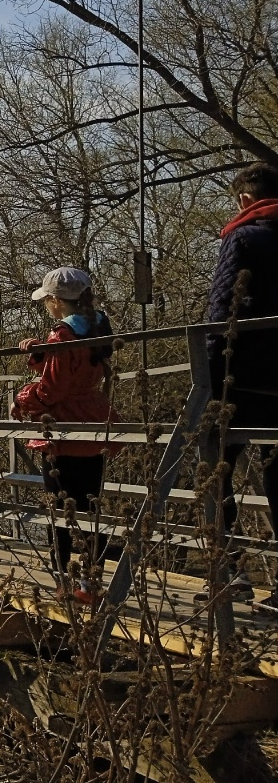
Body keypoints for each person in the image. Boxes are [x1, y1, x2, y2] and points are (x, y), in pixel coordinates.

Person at [13, 267, 117, 606]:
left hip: (63, 428)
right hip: (93, 419)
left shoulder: (62, 335)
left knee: (58, 509)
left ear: (56, 301)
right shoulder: (97, 326)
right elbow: (78, 369)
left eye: (47, 300)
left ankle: (63, 580)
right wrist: (41, 351)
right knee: (89, 506)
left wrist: (22, 400)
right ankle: (91, 582)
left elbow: (53, 389)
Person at [202, 162, 278, 607]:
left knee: (215, 466)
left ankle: (230, 573)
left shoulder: (244, 236)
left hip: (245, 377)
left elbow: (223, 309)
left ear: (245, 200)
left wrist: (209, 376)